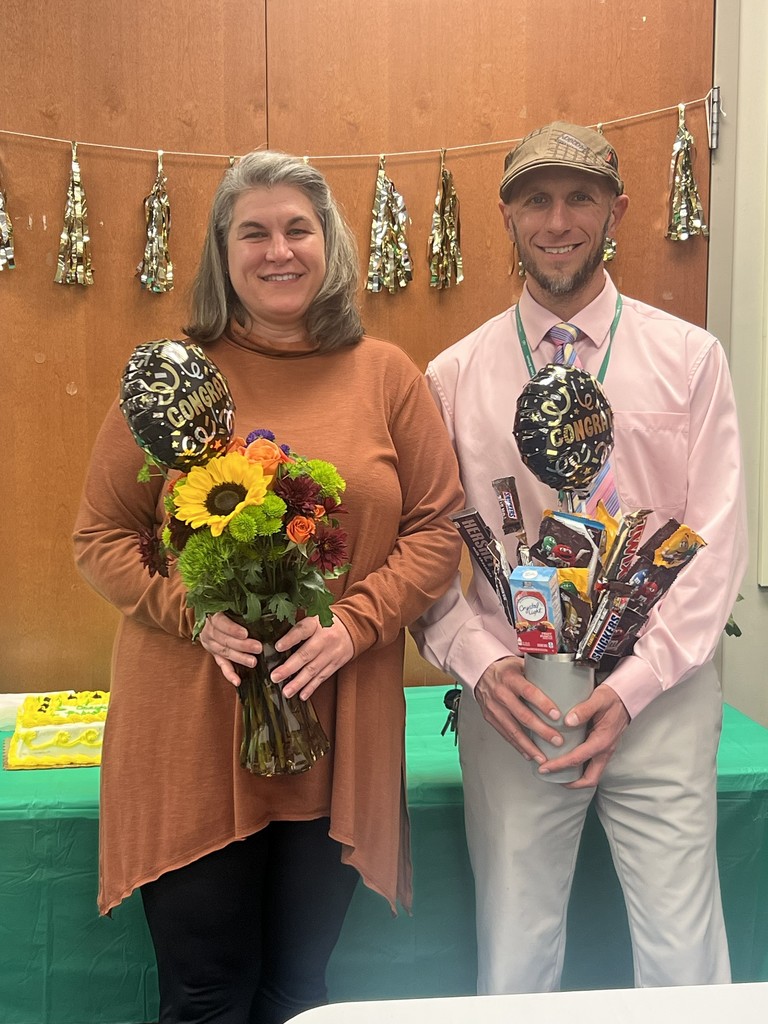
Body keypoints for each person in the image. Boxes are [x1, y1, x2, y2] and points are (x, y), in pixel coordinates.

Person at [73, 151, 464, 1024]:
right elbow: (100, 537)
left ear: (330, 243)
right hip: (190, 726)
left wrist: (355, 624)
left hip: (335, 722)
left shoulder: (388, 377)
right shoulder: (175, 379)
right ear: (223, 251)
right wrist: (194, 614)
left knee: (297, 992)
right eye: (253, 232)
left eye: (297, 229)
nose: (278, 250)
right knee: (205, 995)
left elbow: (438, 531)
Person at [412, 122, 747, 992]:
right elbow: (425, 549)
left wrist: (638, 685)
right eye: (536, 200)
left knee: (684, 958)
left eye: (580, 198)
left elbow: (716, 542)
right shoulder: (452, 377)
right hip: (519, 699)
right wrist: (479, 665)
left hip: (660, 692)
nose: (557, 221)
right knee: (515, 956)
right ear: (507, 216)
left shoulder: (690, 360)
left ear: (616, 212)